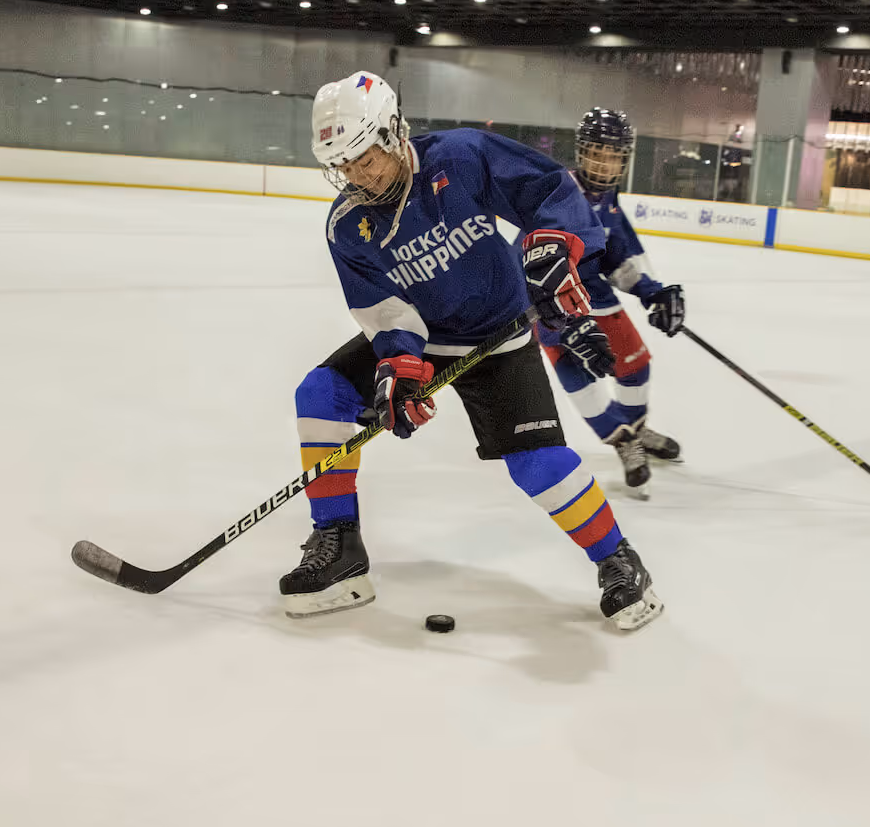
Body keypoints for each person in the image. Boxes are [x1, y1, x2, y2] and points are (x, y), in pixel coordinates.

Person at [284, 71, 662, 631]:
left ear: (393, 131)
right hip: (424, 340)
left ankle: (618, 560)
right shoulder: (348, 225)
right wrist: (399, 365)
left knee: (538, 464)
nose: (356, 176)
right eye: (342, 165)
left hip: (498, 337)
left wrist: (554, 244)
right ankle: (339, 546)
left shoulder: (458, 157)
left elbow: (551, 190)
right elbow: (384, 308)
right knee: (320, 394)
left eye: (365, 157)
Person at [528, 107, 685, 496]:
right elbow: (530, 256)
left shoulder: (609, 198)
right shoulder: (559, 190)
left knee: (635, 367)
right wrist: (556, 317)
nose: (605, 162)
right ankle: (622, 440)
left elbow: (618, 254)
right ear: (582, 151)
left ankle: (635, 426)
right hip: (554, 304)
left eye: (614, 155)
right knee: (580, 379)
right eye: (599, 152)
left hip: (596, 296)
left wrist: (652, 291)